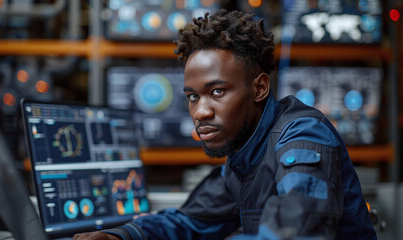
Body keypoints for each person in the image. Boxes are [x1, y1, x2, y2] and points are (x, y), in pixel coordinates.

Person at [73, 9, 377, 240]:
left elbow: (295, 229)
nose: (201, 112)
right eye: (193, 96)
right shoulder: (243, 157)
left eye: (217, 92)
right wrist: (121, 235)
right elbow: (192, 221)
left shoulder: (302, 134)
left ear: (259, 88)